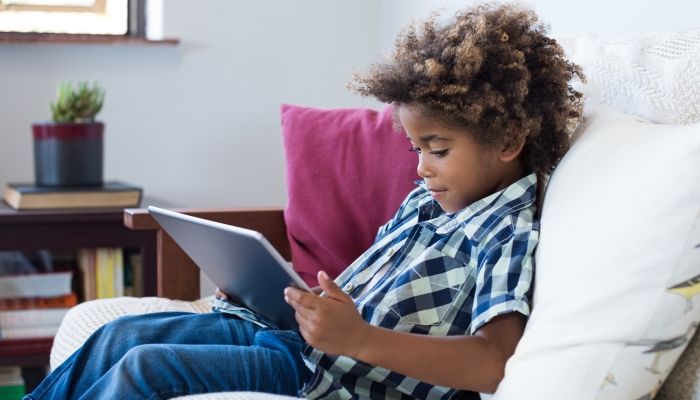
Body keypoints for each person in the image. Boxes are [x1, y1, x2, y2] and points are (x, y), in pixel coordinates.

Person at [25, 3, 584, 400]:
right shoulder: (428, 201)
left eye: (437, 149)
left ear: (509, 140)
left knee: (149, 365)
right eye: (417, 147)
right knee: (119, 335)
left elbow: (495, 360)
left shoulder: (506, 231)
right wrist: (278, 291)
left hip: (334, 376)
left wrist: (358, 338)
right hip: (296, 339)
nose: (420, 167)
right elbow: (364, 288)